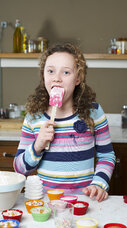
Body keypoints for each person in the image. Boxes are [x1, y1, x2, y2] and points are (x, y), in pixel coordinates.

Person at [14, 43, 116, 202]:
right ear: (43, 76)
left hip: (84, 202)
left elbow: (107, 155)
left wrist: (99, 184)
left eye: (66, 72)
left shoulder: (93, 112)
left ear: (78, 79)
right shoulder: (33, 117)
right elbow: (19, 169)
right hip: (47, 203)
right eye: (50, 71)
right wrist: (37, 145)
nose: (57, 78)